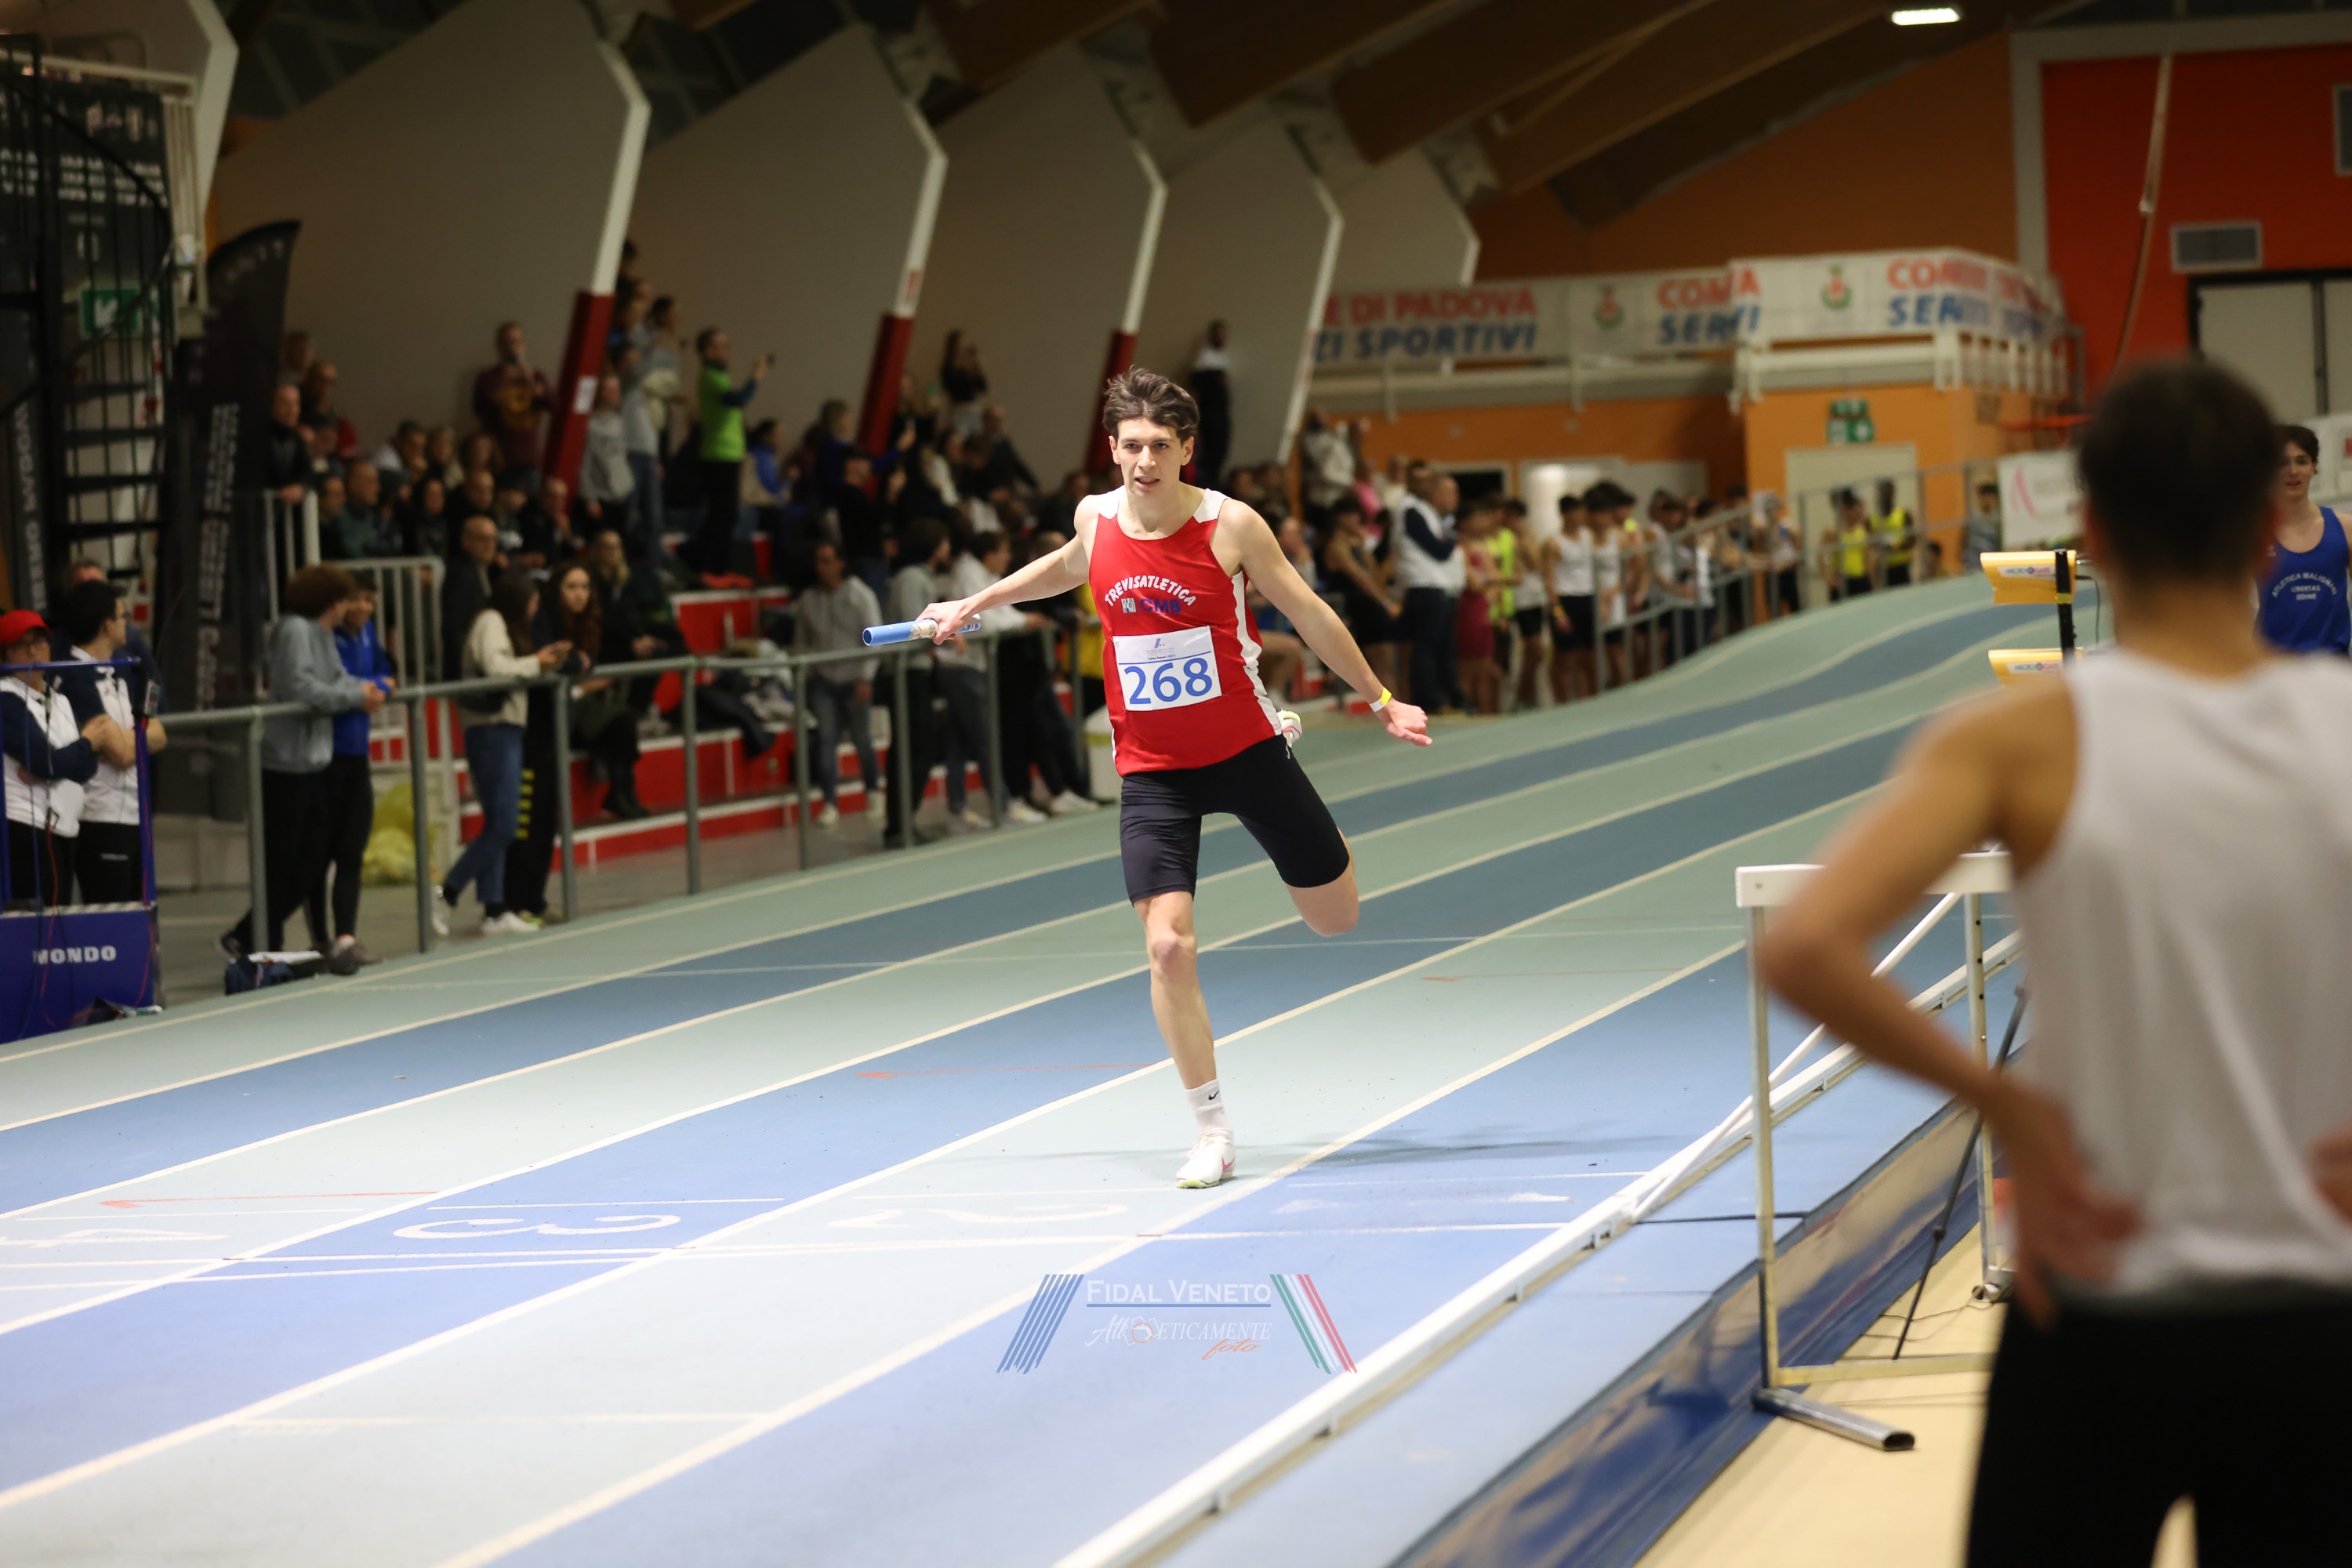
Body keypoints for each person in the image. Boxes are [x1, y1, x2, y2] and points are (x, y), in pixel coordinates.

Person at [1760, 359, 2352, 1568]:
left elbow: (1806, 943)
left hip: (2099, 1293)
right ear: (2266, 532)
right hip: (2318, 1315)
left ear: (2089, 535)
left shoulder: (2020, 738)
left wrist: (2007, 1106)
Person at [914, 368, 1431, 1189]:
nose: (1145, 461)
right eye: (1131, 446)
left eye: (1160, 445)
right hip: (1155, 771)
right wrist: (971, 604)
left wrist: (1381, 699)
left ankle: (1305, 793)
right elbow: (1066, 564)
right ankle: (1212, 1130)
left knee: (1336, 918)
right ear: (1112, 449)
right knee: (1166, 946)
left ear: (1188, 449)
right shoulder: (1095, 517)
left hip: (1248, 752)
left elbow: (1309, 612)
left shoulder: (1233, 525)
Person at [222, 567, 384, 957]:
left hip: (312, 762)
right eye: (346, 598)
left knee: (312, 859)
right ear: (332, 601)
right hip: (285, 764)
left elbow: (338, 678)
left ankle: (251, 934)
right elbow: (300, 687)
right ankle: (255, 937)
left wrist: (365, 689)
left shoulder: (321, 632)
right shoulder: (296, 630)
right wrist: (354, 698)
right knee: (284, 860)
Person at [437, 571, 569, 936]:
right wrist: (537, 664)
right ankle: (448, 891)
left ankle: (495, 909)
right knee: (504, 825)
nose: (534, 610)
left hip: (504, 729)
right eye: (532, 603)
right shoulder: (491, 621)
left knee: (498, 822)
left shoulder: (498, 624)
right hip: (491, 729)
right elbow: (498, 670)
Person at [56, 582, 165, 906]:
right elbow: (122, 754)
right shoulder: (75, 677)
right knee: (112, 920)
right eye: (123, 617)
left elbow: (160, 733)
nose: (126, 624)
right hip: (100, 817)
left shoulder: (119, 672)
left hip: (133, 814)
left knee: (141, 919)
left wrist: (127, 737)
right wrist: (132, 739)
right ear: (107, 625)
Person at [308, 586, 394, 971]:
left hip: (357, 755)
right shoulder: (326, 638)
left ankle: (345, 937)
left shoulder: (369, 633)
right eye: (355, 599)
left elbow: (386, 673)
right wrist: (363, 691)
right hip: (325, 756)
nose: (362, 607)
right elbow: (333, 687)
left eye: (369, 600)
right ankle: (320, 939)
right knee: (319, 852)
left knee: (352, 848)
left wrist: (381, 686)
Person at [1, 609, 110, 907]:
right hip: (26, 827)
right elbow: (47, 762)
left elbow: (86, 767)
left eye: (40, 642)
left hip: (64, 826)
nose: (34, 652)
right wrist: (87, 743)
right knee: (37, 923)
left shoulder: (59, 700)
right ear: (7, 654)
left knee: (62, 916)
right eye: (22, 645)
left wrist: (53, 766)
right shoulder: (5, 699)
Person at [792, 540, 884, 828]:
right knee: (826, 739)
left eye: (827, 561)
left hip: (854, 679)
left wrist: (865, 676)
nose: (821, 567)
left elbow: (875, 638)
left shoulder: (860, 595)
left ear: (840, 563)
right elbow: (801, 641)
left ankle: (873, 791)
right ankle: (830, 802)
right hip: (823, 681)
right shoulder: (808, 599)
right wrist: (809, 669)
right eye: (818, 561)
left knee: (861, 739)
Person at [880, 516, 949, 848]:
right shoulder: (911, 579)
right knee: (912, 750)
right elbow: (914, 627)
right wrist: (945, 633)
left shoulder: (918, 577)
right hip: (906, 675)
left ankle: (903, 821)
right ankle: (899, 824)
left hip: (917, 672)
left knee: (918, 749)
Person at [2256, 423, 2347, 655]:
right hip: (2273, 667)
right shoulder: (2252, 534)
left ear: (2314, 467)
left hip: (2333, 666)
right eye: (2282, 463)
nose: (2293, 471)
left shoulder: (2345, 528)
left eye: (2302, 461)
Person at [691, 328, 771, 580]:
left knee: (728, 515)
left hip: (729, 454)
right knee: (721, 514)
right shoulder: (710, 376)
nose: (728, 351)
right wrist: (756, 375)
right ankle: (709, 568)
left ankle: (719, 568)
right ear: (709, 351)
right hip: (718, 455)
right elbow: (738, 399)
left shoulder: (720, 376)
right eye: (722, 346)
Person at [1394, 467, 1464, 713]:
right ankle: (1429, 700)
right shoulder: (1412, 512)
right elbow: (1439, 550)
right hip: (1425, 589)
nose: (1454, 498)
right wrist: (1453, 539)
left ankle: (1446, 697)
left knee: (1443, 648)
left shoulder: (1435, 516)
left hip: (1439, 589)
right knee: (1427, 646)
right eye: (1449, 492)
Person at [1320, 495, 1396, 696]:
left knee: (1386, 662)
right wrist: (1386, 603)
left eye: (1357, 515)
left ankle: (1393, 702)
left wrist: (1363, 548)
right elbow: (1360, 578)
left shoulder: (1358, 546)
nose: (1355, 520)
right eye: (1350, 515)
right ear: (1339, 518)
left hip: (1370, 605)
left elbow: (1376, 577)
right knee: (1379, 660)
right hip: (1356, 608)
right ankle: (1389, 705)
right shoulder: (1336, 547)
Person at [474, 321, 550, 491]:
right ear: (498, 347)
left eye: (516, 342)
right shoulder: (488, 377)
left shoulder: (535, 375)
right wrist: (502, 384)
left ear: (523, 345)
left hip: (528, 458)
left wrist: (534, 386)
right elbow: (479, 410)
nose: (512, 347)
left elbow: (553, 405)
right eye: (507, 342)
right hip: (498, 457)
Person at [441, 514, 501, 680]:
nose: (490, 545)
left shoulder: (482, 570)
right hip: (467, 672)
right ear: (466, 540)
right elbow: (455, 628)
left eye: (493, 539)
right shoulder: (462, 573)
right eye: (483, 539)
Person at [1188, 321, 1231, 488]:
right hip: (1209, 412)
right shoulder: (1204, 357)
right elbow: (1196, 383)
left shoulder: (1223, 356)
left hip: (1221, 411)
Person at [1874, 478, 1915, 587]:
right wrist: (1882, 547)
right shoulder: (1873, 519)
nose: (1887, 496)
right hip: (1882, 567)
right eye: (1884, 493)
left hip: (1901, 565)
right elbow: (1871, 543)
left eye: (1889, 493)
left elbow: (1912, 540)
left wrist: (1896, 547)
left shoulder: (1904, 514)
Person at [1835, 489, 1874, 598]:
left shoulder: (1864, 531)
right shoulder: (1835, 532)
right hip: (1843, 578)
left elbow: (1868, 557)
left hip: (1861, 577)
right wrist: (1829, 577)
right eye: (1857, 511)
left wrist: (1872, 579)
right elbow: (1823, 555)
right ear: (1848, 511)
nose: (1859, 514)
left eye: (1861, 511)